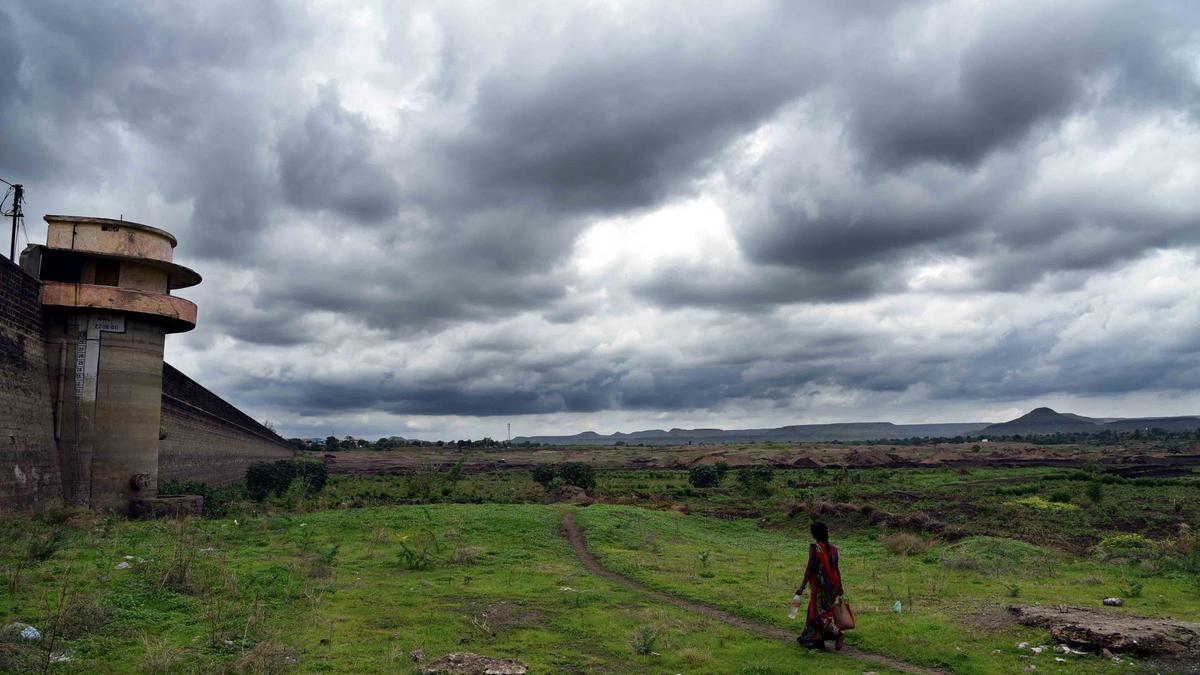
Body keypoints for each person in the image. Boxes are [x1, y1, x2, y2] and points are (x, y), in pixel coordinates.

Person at [795, 521, 844, 650]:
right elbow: (836, 569)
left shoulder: (816, 548)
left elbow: (810, 568)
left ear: (815, 534)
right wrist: (840, 587)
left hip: (819, 587)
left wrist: (802, 586)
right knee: (823, 612)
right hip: (832, 587)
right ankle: (818, 640)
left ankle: (836, 634)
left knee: (818, 615)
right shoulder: (834, 549)